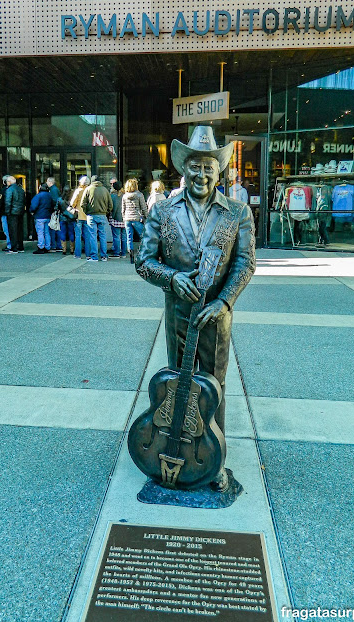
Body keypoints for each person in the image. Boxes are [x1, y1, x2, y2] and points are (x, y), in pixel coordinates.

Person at [135, 126, 256, 492]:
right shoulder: (162, 210)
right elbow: (143, 261)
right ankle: (179, 451)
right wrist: (171, 278)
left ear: (219, 172)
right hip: (178, 316)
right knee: (179, 386)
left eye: (208, 167)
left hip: (216, 318)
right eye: (195, 167)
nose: (201, 175)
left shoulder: (238, 212)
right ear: (183, 170)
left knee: (215, 388)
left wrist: (223, 302)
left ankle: (214, 460)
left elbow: (245, 263)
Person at [82, 174, 112, 262]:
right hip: (102, 215)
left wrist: (87, 212)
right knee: (103, 235)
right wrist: (106, 212)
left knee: (93, 236)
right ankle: (104, 256)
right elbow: (110, 205)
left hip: (91, 215)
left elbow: (82, 204)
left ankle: (94, 256)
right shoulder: (105, 190)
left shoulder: (88, 189)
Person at [122, 178, 147, 263]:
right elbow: (143, 207)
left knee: (129, 238)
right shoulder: (139, 195)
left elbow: (123, 209)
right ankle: (142, 255)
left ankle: (131, 257)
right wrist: (146, 217)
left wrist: (124, 218)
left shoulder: (125, 196)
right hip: (137, 218)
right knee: (143, 236)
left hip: (127, 219)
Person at [69, 176, 92, 259]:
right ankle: (88, 254)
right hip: (87, 216)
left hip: (78, 215)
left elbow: (72, 203)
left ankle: (77, 254)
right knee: (87, 236)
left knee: (78, 236)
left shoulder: (78, 191)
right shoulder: (90, 191)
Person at [4, 175, 26, 253]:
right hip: (20, 212)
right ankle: (20, 246)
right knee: (20, 230)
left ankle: (14, 248)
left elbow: (8, 202)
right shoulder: (21, 189)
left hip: (12, 212)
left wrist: (7, 212)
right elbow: (24, 201)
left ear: (9, 182)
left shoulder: (9, 189)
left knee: (12, 230)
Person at [30, 183, 54, 254]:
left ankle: (41, 247)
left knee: (40, 232)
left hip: (39, 216)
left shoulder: (38, 196)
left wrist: (31, 211)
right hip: (47, 216)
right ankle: (47, 246)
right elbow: (52, 205)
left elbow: (33, 206)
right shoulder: (50, 196)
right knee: (47, 232)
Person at [108, 180, 126, 258]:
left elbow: (111, 208)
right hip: (125, 218)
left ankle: (116, 253)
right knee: (124, 236)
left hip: (115, 219)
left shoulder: (112, 196)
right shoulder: (125, 195)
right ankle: (124, 253)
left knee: (116, 237)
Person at [57, 184, 75, 255]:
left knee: (63, 233)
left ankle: (64, 249)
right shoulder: (72, 199)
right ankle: (72, 249)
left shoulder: (60, 199)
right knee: (71, 233)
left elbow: (56, 208)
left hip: (62, 217)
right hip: (71, 218)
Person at [46, 177, 62, 251]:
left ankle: (55, 245)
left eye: (47, 181)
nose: (46, 183)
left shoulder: (53, 190)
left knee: (53, 228)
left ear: (50, 182)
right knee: (56, 228)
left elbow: (55, 201)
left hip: (54, 212)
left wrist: (53, 210)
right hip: (56, 211)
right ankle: (58, 245)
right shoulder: (55, 189)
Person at [0, 175, 12, 252]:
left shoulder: (4, 190)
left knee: (6, 229)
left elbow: (1, 202)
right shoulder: (18, 189)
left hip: (5, 212)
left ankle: (9, 244)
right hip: (14, 213)